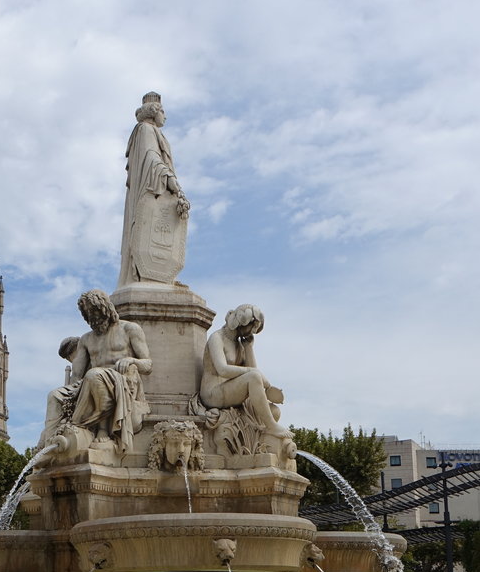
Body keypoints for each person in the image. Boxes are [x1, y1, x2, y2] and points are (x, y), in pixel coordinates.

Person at [36, 289, 152, 453]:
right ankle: (51, 446)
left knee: (93, 374)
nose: (93, 317)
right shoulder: (86, 339)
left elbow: (148, 365)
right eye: (88, 314)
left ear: (106, 308)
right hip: (92, 382)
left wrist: (131, 360)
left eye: (95, 312)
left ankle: (101, 429)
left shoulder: (130, 329)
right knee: (54, 395)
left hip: (121, 382)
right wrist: (69, 395)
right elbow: (76, 375)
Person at [117, 91, 189, 289]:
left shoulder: (152, 131)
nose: (165, 116)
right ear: (154, 112)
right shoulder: (145, 130)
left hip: (156, 190)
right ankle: (144, 275)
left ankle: (163, 277)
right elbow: (151, 159)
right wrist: (170, 180)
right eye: (163, 111)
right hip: (151, 189)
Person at [200, 304, 290, 440]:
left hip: (230, 392)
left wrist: (248, 348)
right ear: (241, 322)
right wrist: (253, 372)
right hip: (213, 393)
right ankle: (271, 426)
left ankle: (267, 430)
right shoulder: (217, 338)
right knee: (253, 376)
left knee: (274, 411)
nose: (252, 332)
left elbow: (255, 376)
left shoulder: (239, 344)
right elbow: (222, 369)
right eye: (252, 327)